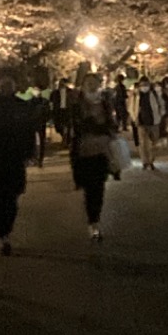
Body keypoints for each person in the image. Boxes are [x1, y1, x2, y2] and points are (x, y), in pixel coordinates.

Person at [0, 77, 36, 256]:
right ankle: (3, 233)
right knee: (5, 196)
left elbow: (29, 131)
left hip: (10, 158)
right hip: (1, 159)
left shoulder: (18, 107)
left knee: (8, 197)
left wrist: (29, 152)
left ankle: (4, 231)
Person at [69, 73, 117, 240]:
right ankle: (92, 219)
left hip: (101, 150)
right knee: (89, 187)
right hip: (83, 151)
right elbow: (74, 125)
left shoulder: (104, 102)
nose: (91, 85)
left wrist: (109, 132)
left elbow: (111, 123)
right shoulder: (76, 102)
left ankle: (94, 221)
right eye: (88, 82)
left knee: (98, 187)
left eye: (94, 82)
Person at [129, 75, 165, 170]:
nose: (144, 87)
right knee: (143, 144)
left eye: (146, 84)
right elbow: (131, 108)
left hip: (154, 122)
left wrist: (160, 115)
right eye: (142, 85)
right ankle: (145, 162)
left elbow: (162, 105)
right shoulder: (135, 95)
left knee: (155, 144)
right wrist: (134, 118)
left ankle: (151, 161)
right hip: (141, 123)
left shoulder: (155, 94)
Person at [50, 78, 75, 146]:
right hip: (59, 111)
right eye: (60, 83)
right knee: (59, 127)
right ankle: (64, 136)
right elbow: (51, 102)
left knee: (68, 126)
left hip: (68, 111)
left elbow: (73, 101)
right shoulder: (55, 93)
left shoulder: (71, 92)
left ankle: (67, 140)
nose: (61, 85)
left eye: (63, 83)